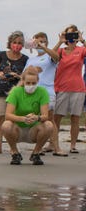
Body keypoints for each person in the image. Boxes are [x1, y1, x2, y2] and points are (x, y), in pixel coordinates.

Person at [2, 67, 54, 165]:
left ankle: (36, 153)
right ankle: (15, 152)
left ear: (38, 81)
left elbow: (45, 116)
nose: (31, 85)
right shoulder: (16, 92)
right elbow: (8, 115)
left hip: (33, 130)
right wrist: (22, 119)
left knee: (49, 125)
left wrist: (36, 117)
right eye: (28, 83)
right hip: (17, 130)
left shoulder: (42, 92)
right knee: (6, 125)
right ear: (23, 81)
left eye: (33, 83)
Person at [0, 31, 28, 154]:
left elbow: (28, 76)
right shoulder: (1, 56)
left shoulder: (25, 59)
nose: (17, 45)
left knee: (12, 120)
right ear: (10, 43)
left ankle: (13, 147)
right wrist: (0, 74)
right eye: (15, 42)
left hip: (16, 93)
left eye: (20, 43)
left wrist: (18, 76)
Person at [24, 32, 62, 155]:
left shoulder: (49, 56)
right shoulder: (30, 59)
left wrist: (44, 47)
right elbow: (24, 75)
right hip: (33, 92)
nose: (40, 43)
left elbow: (56, 57)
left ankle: (57, 147)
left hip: (48, 91)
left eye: (43, 41)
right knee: (37, 120)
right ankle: (39, 147)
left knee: (50, 119)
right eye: (38, 41)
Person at [51, 25, 86, 154]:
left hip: (78, 88)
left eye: (73, 34)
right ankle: (53, 144)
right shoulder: (61, 51)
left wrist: (82, 40)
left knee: (75, 118)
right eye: (69, 34)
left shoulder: (81, 50)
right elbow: (51, 56)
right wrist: (60, 41)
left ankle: (73, 145)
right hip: (61, 87)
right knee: (56, 117)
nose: (71, 37)